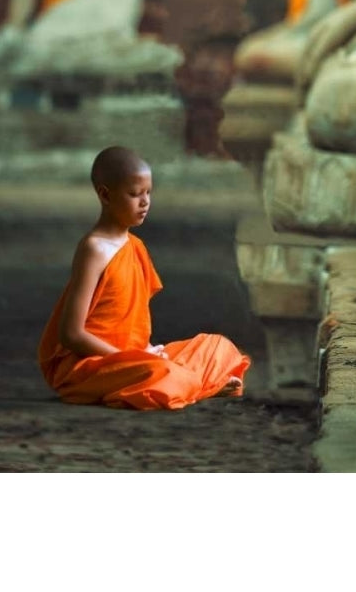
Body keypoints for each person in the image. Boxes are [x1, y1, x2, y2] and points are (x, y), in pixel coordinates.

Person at [37, 146, 250, 409]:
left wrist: (149, 351)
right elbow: (71, 334)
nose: (145, 202)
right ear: (105, 195)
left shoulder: (135, 246)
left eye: (148, 193)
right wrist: (130, 359)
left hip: (138, 358)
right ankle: (197, 385)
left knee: (219, 346)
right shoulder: (94, 248)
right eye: (135, 194)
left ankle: (188, 384)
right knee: (163, 373)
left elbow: (134, 322)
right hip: (94, 364)